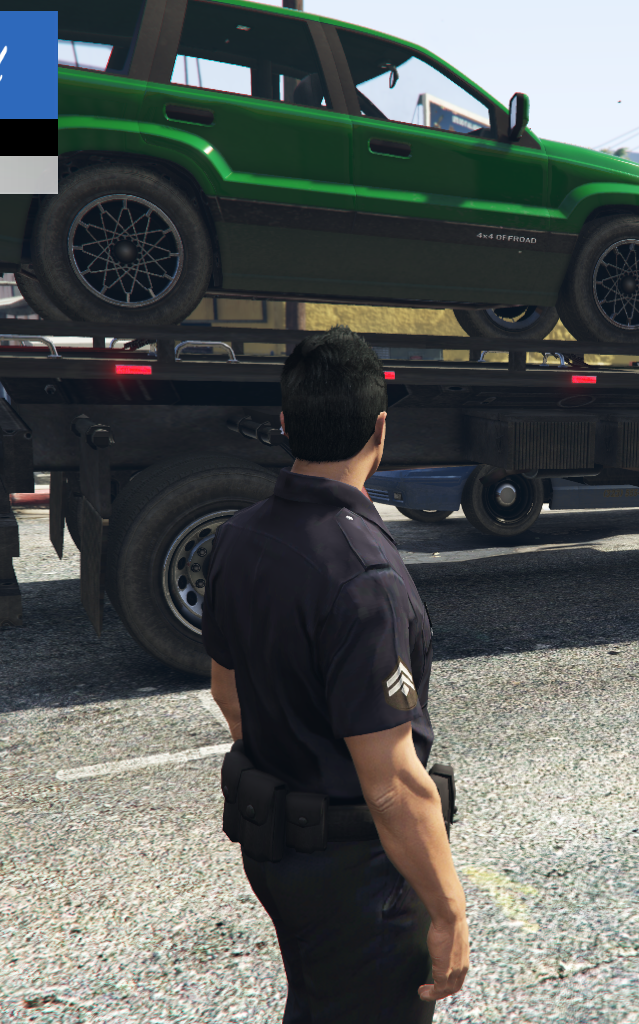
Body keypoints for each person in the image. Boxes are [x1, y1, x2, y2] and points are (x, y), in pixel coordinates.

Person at [202, 325, 469, 1023]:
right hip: (355, 874)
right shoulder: (364, 576)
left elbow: (228, 693)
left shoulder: (237, 536)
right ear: (379, 430)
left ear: (285, 424)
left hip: (273, 846)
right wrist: (448, 912)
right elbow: (391, 784)